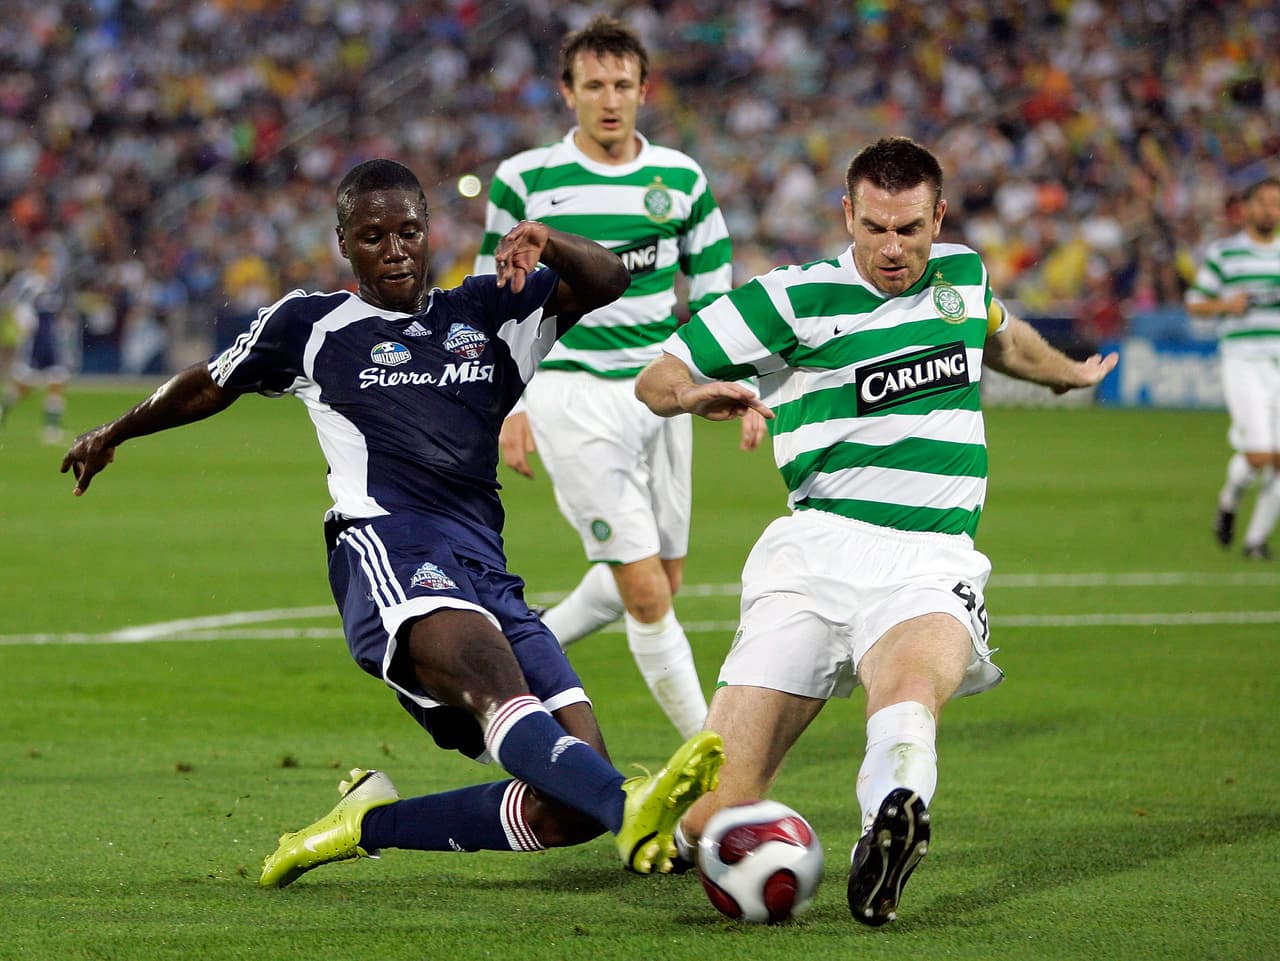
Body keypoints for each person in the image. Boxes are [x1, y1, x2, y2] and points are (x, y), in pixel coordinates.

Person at [61, 158, 723, 886]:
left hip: (484, 567)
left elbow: (608, 282)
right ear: (345, 242)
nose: (395, 248)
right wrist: (114, 432)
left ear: (429, 230)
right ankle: (633, 803)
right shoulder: (311, 324)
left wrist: (550, 240)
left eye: (408, 229)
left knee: (569, 804)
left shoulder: (489, 311)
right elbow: (212, 383)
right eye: (373, 235)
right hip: (387, 548)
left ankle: (365, 823)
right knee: (507, 694)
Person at [634, 137, 1118, 926]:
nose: (894, 249)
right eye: (876, 229)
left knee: (912, 686)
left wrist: (1068, 374)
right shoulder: (791, 298)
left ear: (939, 219)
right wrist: (694, 397)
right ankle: (694, 817)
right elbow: (656, 375)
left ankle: (887, 825)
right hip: (813, 552)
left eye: (911, 229)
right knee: (709, 820)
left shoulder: (961, 275)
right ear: (847, 215)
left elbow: (1001, 337)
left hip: (928, 558)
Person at [474, 15, 742, 740]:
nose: (609, 98)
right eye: (593, 84)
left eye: (622, 83)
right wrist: (507, 407)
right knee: (648, 592)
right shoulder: (524, 180)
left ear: (644, 89)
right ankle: (713, 759)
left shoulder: (681, 180)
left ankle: (525, 657)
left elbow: (715, 295)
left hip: (659, 390)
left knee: (662, 575)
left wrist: (712, 379)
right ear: (567, 93)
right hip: (572, 392)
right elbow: (489, 301)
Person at [1186, 175, 1280, 561]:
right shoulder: (1225, 253)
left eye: (1277, 203)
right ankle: (1229, 500)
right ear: (1248, 208)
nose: (1272, 210)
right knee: (1259, 456)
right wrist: (1227, 305)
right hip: (1242, 360)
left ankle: (1256, 541)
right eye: (1265, 202)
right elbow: (1195, 302)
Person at [1, 247, 76, 443]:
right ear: (37, 262)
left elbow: (56, 311)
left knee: (57, 380)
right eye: (45, 262)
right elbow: (9, 302)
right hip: (34, 341)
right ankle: (2, 409)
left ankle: (51, 428)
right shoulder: (27, 281)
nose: (49, 266)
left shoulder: (53, 284)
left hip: (49, 338)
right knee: (24, 385)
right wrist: (21, 323)